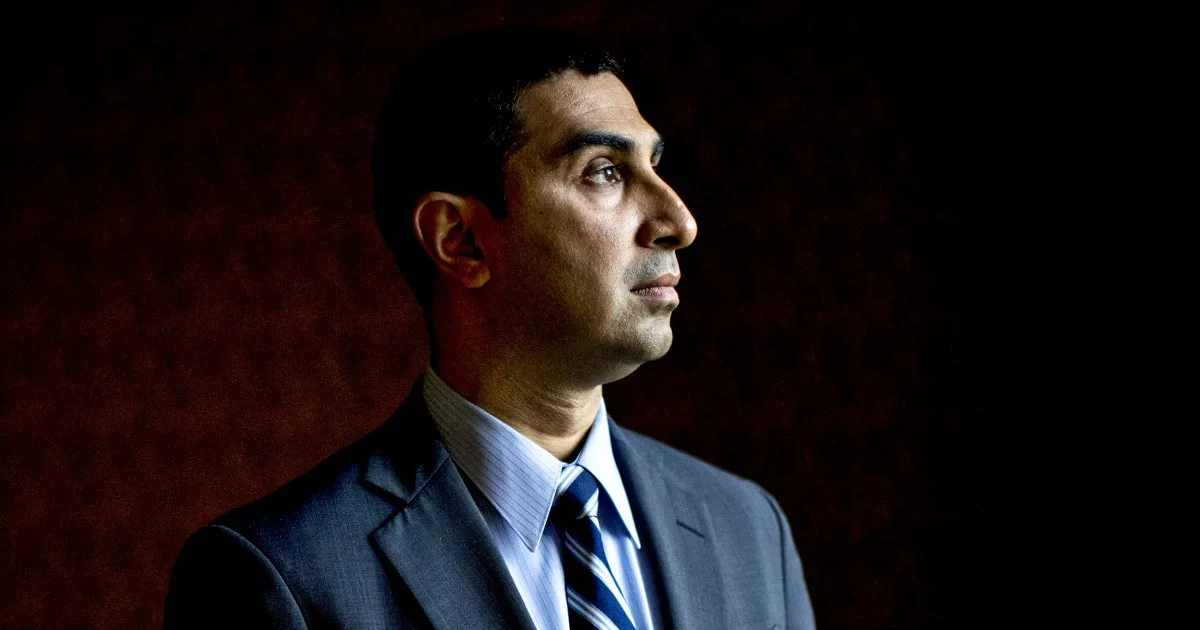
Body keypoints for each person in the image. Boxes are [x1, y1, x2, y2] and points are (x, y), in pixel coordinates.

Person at [165, 28, 816, 630]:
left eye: (655, 165)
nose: (680, 221)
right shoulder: (276, 576)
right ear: (460, 240)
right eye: (606, 172)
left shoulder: (750, 530)